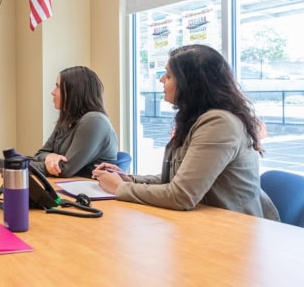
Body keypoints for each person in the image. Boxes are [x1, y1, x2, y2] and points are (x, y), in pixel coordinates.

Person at [92, 44, 280, 220]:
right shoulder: (196, 119)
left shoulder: (219, 123)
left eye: (168, 75)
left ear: (191, 83)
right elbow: (177, 180)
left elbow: (181, 195)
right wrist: (129, 179)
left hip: (233, 230)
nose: (161, 80)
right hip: (203, 224)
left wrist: (120, 187)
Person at [32, 66, 118, 178]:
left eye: (58, 87)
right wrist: (50, 157)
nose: (52, 92)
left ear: (74, 91)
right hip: (65, 187)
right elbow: (39, 154)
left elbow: (64, 169)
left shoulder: (94, 121)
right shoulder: (67, 118)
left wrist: (23, 166)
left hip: (89, 191)